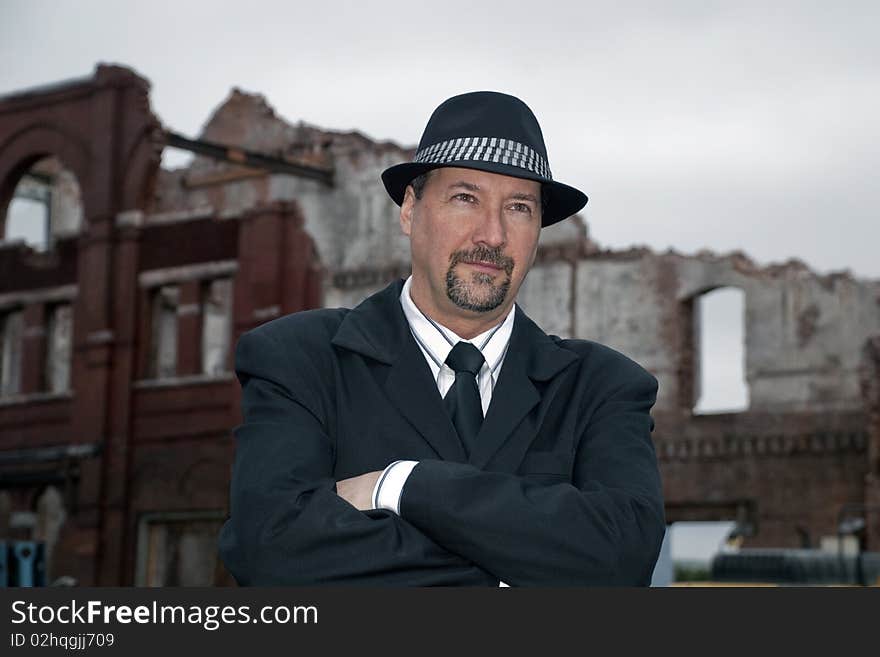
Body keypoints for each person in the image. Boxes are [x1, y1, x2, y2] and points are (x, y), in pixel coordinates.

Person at [218, 91, 665, 586]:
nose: (492, 235)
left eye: (518, 207)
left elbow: (624, 560)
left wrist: (404, 485)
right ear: (409, 210)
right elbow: (273, 553)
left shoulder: (602, 387)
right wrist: (524, 566)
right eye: (465, 198)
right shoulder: (301, 359)